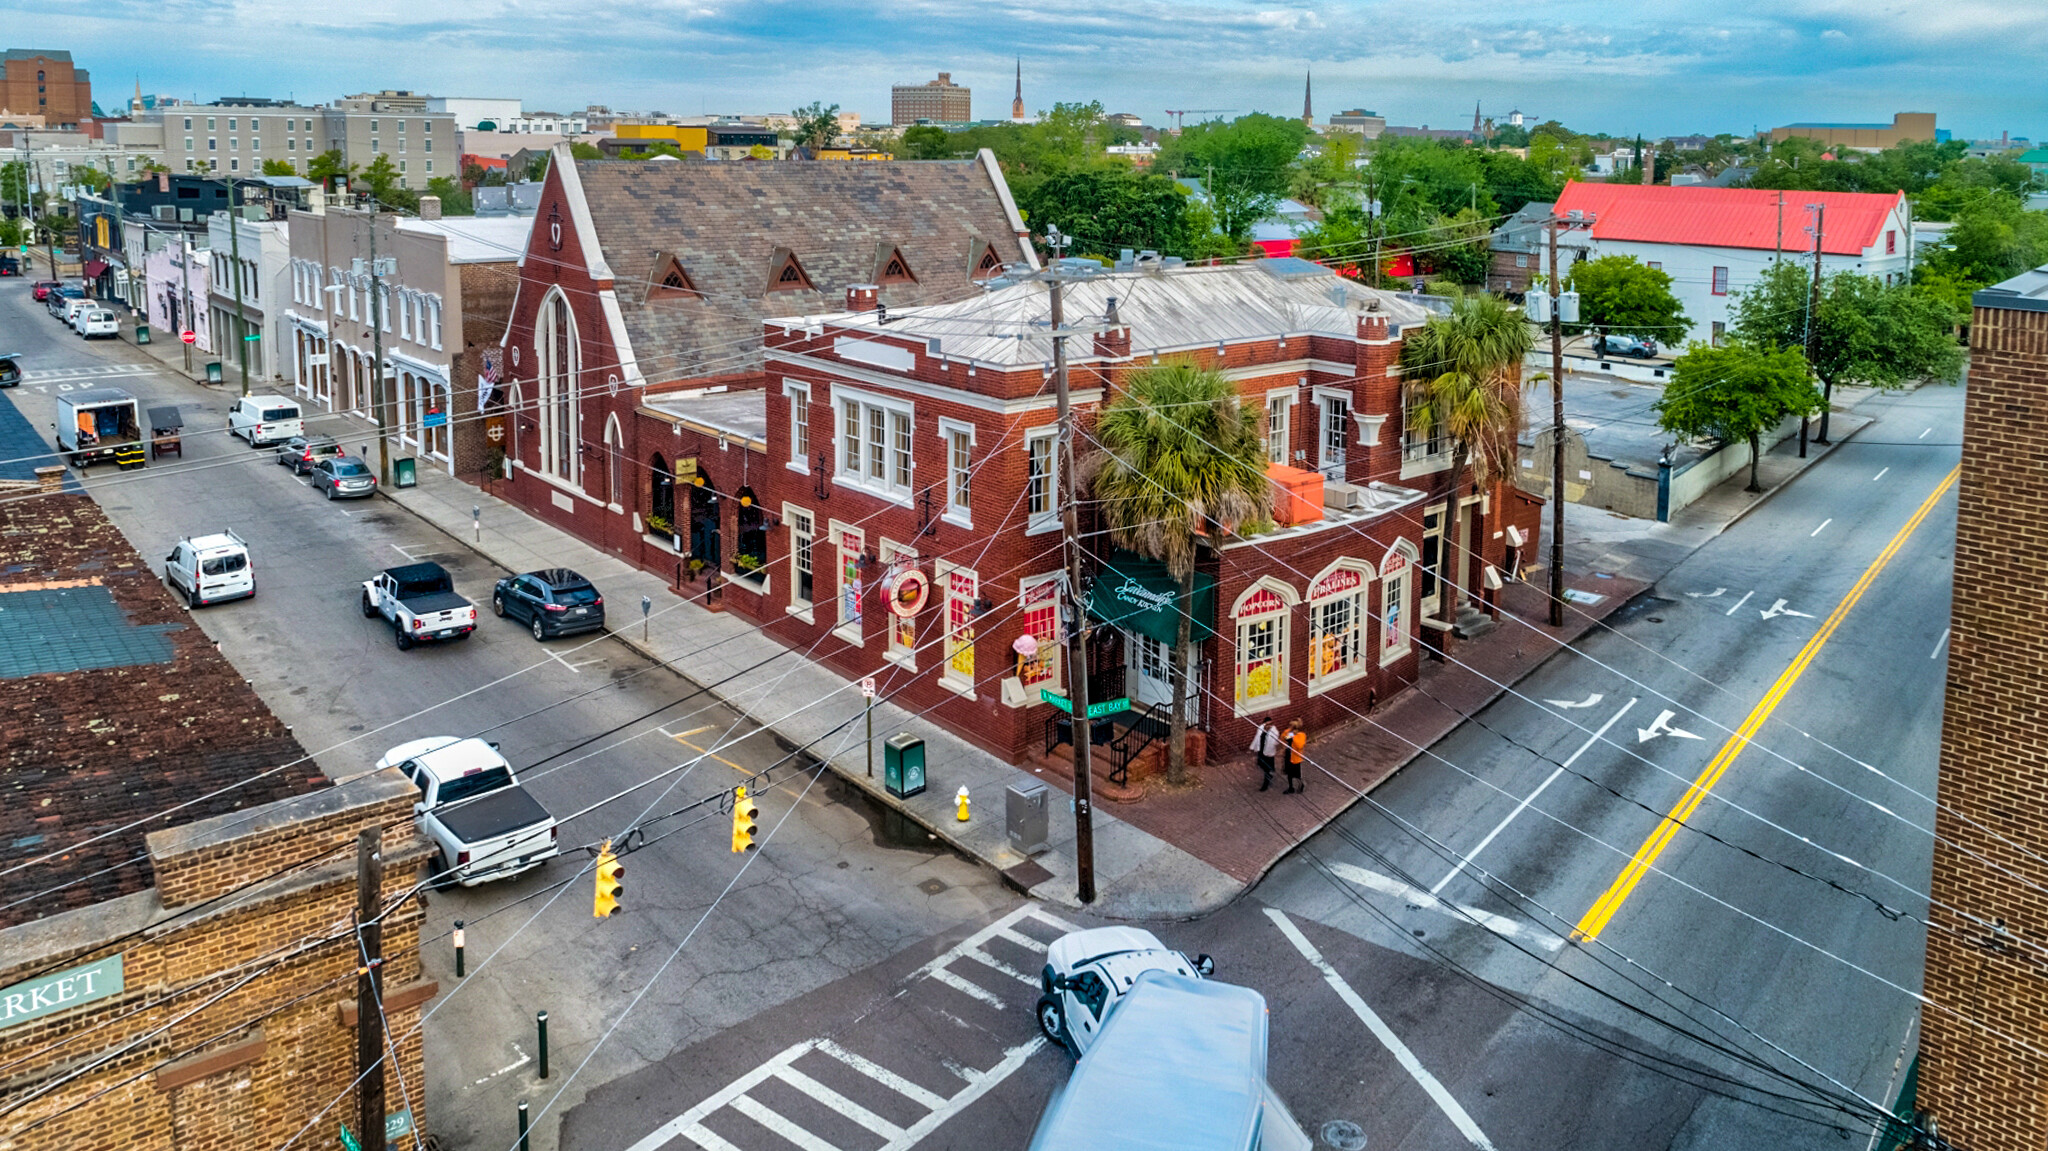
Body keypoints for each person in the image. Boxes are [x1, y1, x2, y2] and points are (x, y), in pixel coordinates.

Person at [1250, 719, 1281, 791]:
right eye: (1266, 724)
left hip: (1268, 753)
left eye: (1270, 724)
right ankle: (1269, 775)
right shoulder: (1261, 729)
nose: (1268, 726)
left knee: (1266, 769)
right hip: (1261, 751)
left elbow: (1275, 742)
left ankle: (1266, 783)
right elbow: (1257, 738)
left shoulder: (1274, 732)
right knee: (1262, 765)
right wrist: (1253, 747)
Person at [1281, 719, 1307, 794]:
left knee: (1297, 774)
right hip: (1288, 756)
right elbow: (1283, 738)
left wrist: (1294, 737)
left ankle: (1301, 783)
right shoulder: (1290, 733)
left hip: (1295, 759)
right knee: (1289, 773)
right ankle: (1290, 787)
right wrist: (1287, 732)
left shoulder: (1301, 735)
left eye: (1291, 727)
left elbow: (1299, 746)